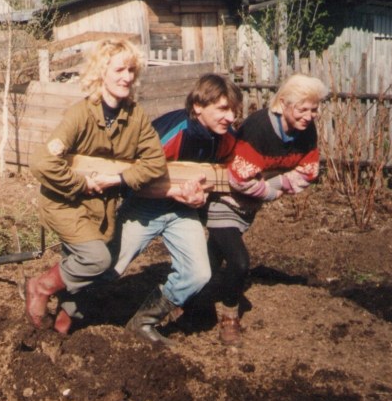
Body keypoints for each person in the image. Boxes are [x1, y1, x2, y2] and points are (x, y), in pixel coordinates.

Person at [25, 38, 167, 335]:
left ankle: (61, 325)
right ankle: (40, 287)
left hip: (101, 210)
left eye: (131, 70)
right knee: (97, 259)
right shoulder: (80, 114)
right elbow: (41, 162)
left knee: (84, 266)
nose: (127, 77)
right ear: (101, 72)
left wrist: (119, 179)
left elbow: (155, 163)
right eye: (119, 70)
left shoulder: (135, 116)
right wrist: (81, 182)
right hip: (63, 202)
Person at [115, 74, 242, 346]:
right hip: (145, 203)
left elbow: (218, 177)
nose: (230, 117)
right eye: (222, 109)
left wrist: (200, 197)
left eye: (234, 110)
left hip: (182, 211)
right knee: (109, 266)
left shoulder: (227, 139)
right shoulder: (174, 131)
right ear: (198, 106)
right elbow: (130, 182)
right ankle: (53, 294)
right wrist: (175, 192)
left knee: (198, 272)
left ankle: (143, 322)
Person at [205, 73, 327, 346]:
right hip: (223, 200)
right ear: (283, 104)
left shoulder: (306, 131)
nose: (309, 116)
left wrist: (280, 182)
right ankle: (229, 317)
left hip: (249, 205)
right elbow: (239, 178)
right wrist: (271, 191)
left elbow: (308, 171)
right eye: (302, 109)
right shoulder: (259, 127)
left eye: (314, 109)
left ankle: (188, 299)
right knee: (239, 262)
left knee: (211, 261)